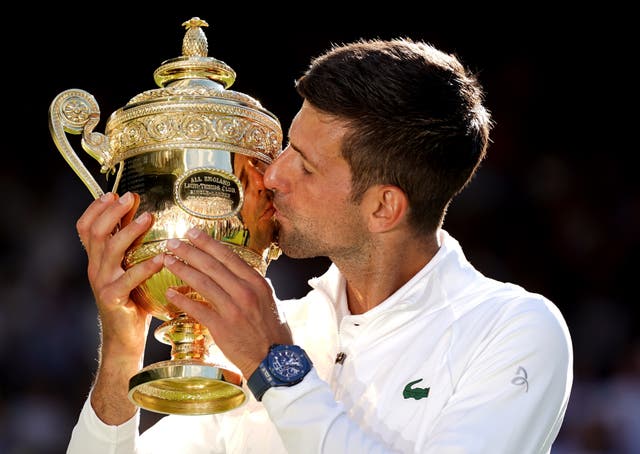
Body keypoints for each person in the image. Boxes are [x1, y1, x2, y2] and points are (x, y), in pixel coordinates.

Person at [67, 37, 573, 453]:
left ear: (383, 208)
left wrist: (275, 366)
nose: (273, 176)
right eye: (286, 146)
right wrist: (121, 354)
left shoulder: (513, 330)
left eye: (305, 165)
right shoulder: (270, 334)